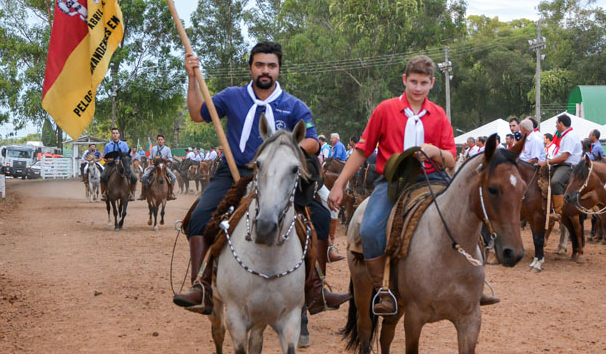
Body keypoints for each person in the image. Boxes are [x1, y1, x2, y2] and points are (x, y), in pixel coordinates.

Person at [172, 41, 350, 315]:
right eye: (260, 65)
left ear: (278, 69)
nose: (265, 70)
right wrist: (192, 78)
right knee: (199, 217)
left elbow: (313, 141)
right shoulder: (232, 96)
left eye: (271, 66)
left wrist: (285, 151)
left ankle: (316, 290)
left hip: (279, 174)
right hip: (235, 172)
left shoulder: (293, 105)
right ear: (251, 68)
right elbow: (197, 114)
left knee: (322, 218)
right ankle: (202, 287)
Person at [328, 55, 497, 315]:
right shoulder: (385, 109)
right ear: (405, 80)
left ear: (432, 84)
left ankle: (474, 281)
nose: (418, 88)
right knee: (370, 229)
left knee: (470, 216)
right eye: (414, 82)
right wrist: (339, 184)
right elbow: (362, 149)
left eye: (424, 83)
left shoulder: (439, 114)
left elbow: (451, 158)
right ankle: (383, 289)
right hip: (392, 182)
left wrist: (435, 151)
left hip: (434, 179)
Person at [540, 114, 582, 221]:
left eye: (556, 123)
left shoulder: (570, 136)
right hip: (560, 165)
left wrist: (548, 162)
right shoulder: (565, 136)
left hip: (568, 166)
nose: (556, 126)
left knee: (556, 182)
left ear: (561, 124)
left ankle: (559, 212)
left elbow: (564, 157)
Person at [100, 127, 137, 200]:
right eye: (113, 133)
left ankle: (131, 193)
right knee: (102, 176)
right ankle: (104, 193)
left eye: (116, 133)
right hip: (111, 165)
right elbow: (104, 158)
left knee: (134, 177)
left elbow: (128, 156)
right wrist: (109, 160)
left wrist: (121, 161)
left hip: (123, 165)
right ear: (111, 135)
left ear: (119, 134)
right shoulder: (108, 145)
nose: (115, 135)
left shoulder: (124, 144)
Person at [140, 134, 177, 200]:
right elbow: (150, 158)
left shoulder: (167, 149)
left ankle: (170, 193)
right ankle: (143, 194)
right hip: (154, 166)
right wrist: (149, 165)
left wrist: (164, 160)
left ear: (164, 140)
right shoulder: (153, 148)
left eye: (161, 139)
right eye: (159, 139)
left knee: (173, 177)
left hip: (163, 166)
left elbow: (170, 159)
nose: (160, 141)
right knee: (144, 177)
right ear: (157, 140)